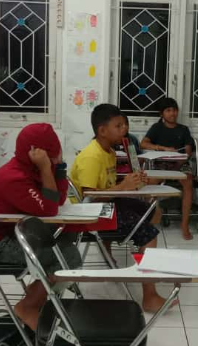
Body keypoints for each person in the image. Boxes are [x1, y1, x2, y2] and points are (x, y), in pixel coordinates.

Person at [0, 123, 81, 331]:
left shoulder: (31, 170)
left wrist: (59, 167)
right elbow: (50, 209)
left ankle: (37, 295)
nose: (54, 159)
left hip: (18, 234)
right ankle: (28, 306)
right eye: (51, 155)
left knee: (68, 241)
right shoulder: (14, 178)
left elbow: (58, 199)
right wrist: (46, 169)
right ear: (35, 153)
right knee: (67, 257)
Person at [71, 104, 172, 313]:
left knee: (152, 211)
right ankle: (150, 296)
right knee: (149, 234)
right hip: (89, 213)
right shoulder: (91, 156)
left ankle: (139, 255)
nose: (124, 129)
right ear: (102, 130)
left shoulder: (108, 151)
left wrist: (133, 181)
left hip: (105, 204)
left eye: (124, 125)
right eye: (118, 126)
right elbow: (89, 197)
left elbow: (108, 185)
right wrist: (124, 186)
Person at [140, 97, 196, 240]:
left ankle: (184, 224)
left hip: (180, 165)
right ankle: (148, 220)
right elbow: (143, 144)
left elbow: (188, 151)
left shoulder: (183, 129)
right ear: (162, 113)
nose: (172, 113)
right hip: (160, 164)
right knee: (148, 182)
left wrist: (181, 159)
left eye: (174, 110)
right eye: (168, 110)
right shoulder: (157, 128)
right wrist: (163, 148)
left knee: (188, 182)